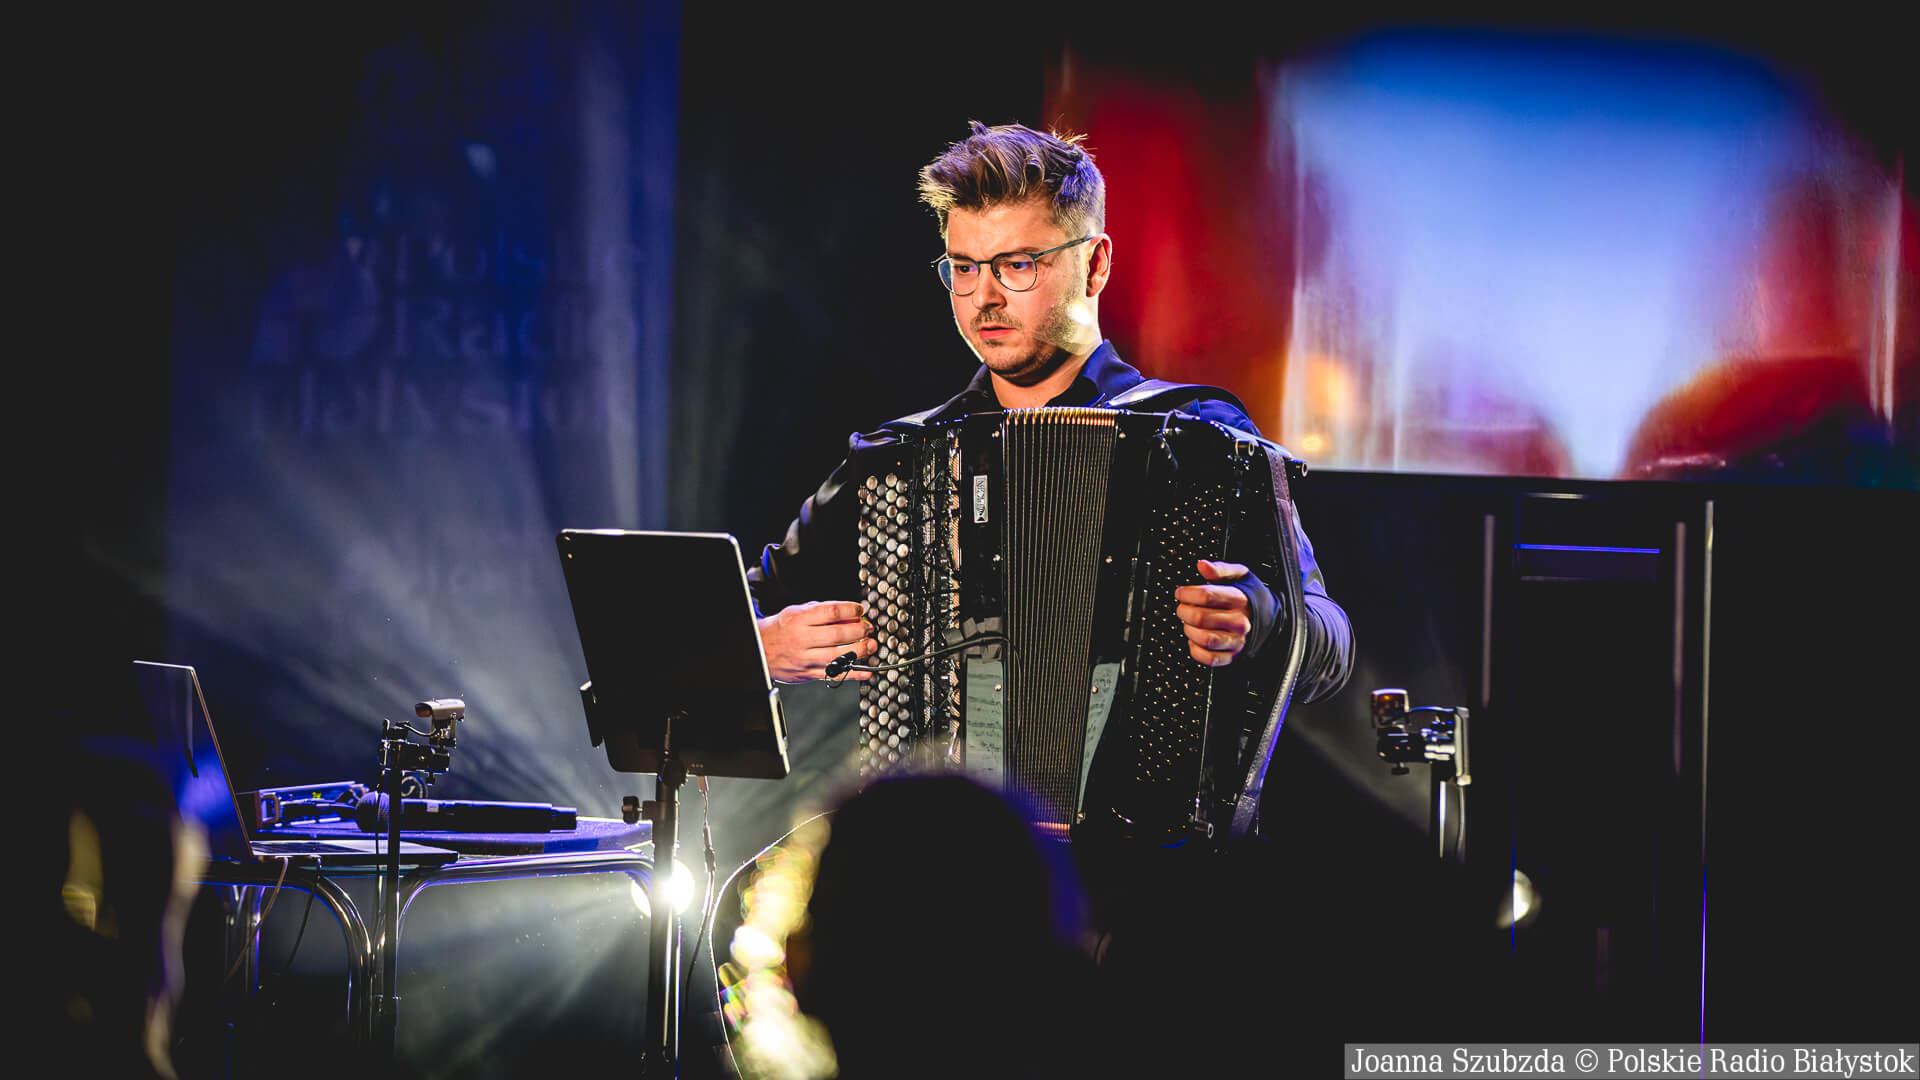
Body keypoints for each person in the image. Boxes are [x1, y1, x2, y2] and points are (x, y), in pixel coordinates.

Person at [749, 120, 1351, 701]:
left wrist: (1263, 621)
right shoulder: (901, 459)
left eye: (1017, 265)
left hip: (1142, 776)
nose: (984, 297)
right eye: (964, 268)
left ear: (1095, 264)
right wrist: (763, 647)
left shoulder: (1197, 436)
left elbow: (1332, 647)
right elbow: (747, 608)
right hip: (940, 780)